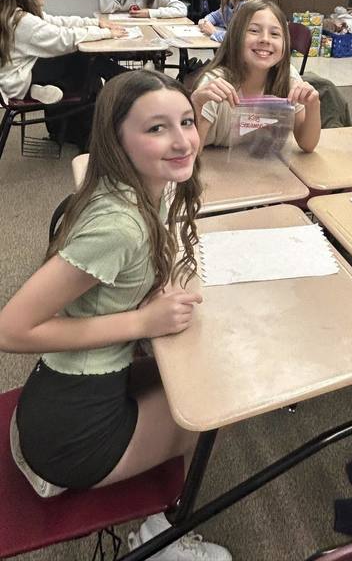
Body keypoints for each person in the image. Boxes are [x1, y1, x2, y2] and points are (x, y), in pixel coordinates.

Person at [0, 70, 231, 561]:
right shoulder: (119, 226)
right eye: (156, 128)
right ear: (116, 139)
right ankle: (162, 533)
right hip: (72, 435)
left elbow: (183, 157)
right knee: (209, 408)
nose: (182, 140)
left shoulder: (137, 188)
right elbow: (10, 329)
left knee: (192, 376)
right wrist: (141, 324)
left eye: (186, 122)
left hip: (65, 396)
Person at [191, 1, 321, 152]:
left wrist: (313, 106)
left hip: (256, 169)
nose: (265, 39)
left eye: (275, 34)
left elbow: (307, 145)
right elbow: (191, 156)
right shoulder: (215, 85)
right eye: (253, 30)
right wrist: (197, 104)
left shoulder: (287, 77)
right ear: (235, 37)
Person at [0, 0, 125, 105]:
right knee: (86, 57)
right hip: (19, 80)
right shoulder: (24, 22)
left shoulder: (12, 16)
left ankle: (35, 90)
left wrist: (96, 23)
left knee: (81, 63)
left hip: (18, 78)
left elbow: (60, 22)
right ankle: (132, 80)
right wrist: (106, 33)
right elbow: (64, 38)